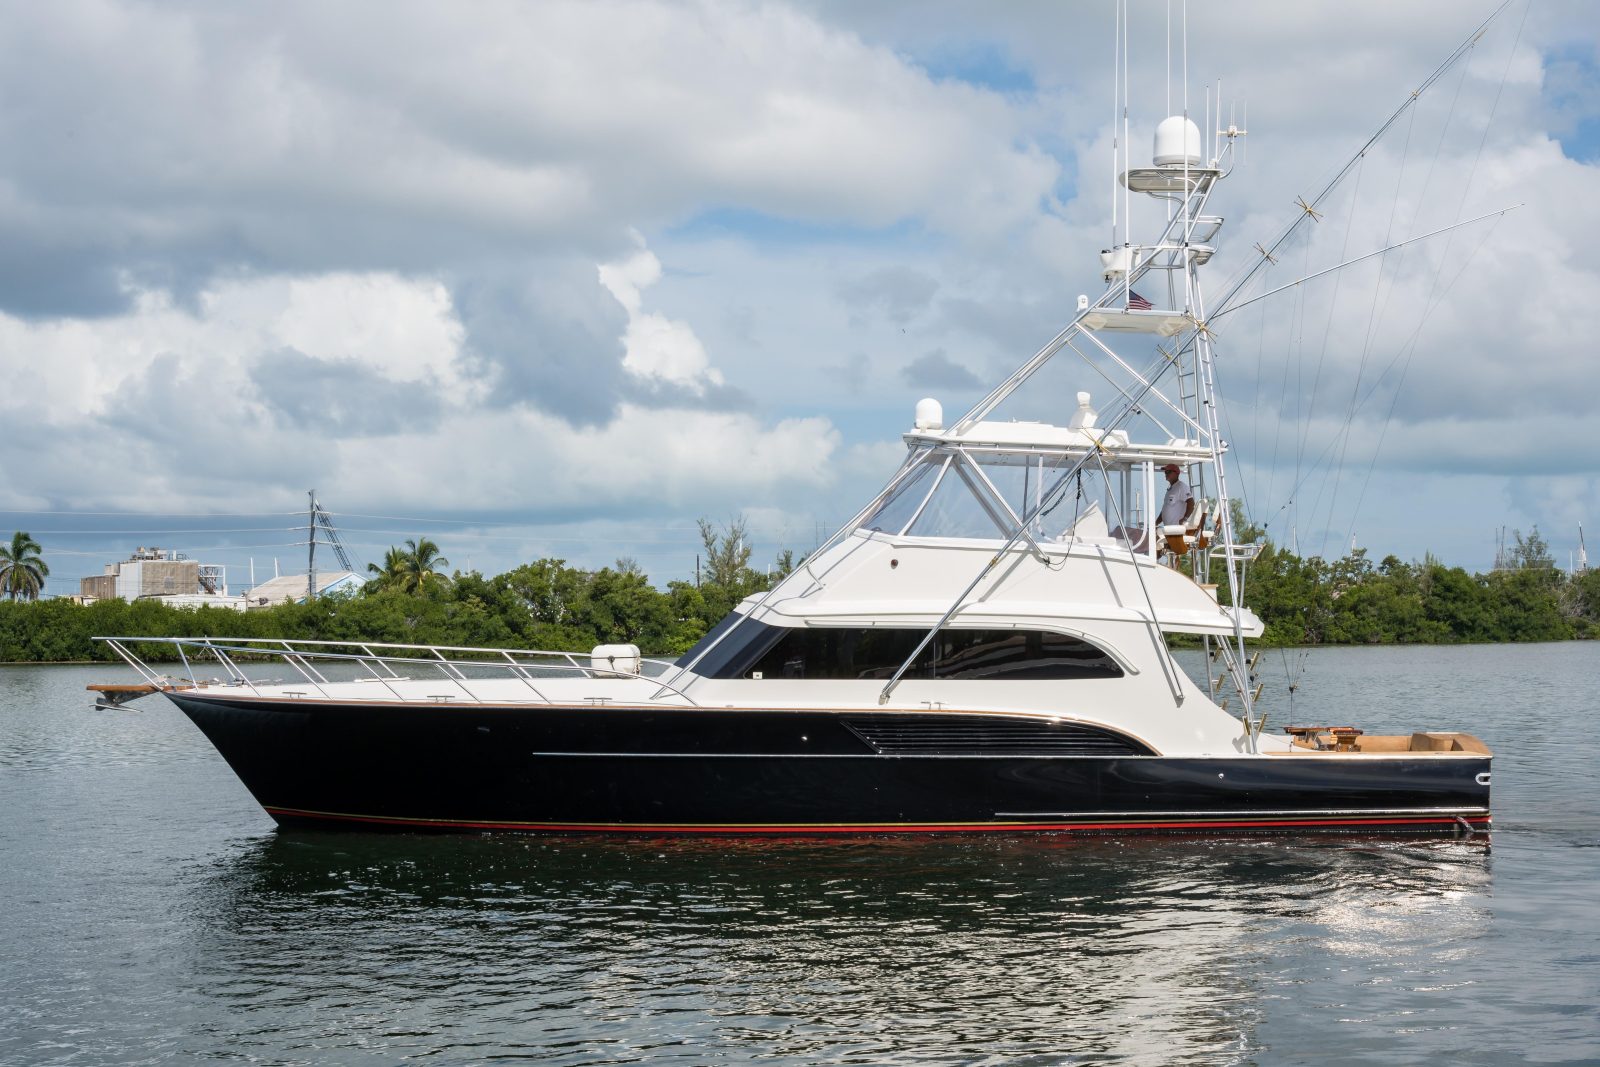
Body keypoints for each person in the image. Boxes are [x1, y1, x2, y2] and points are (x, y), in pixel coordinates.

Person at [1159, 463, 1195, 527]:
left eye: (1168, 472)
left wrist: (1185, 518)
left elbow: (1191, 503)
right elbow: (1165, 509)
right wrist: (1156, 523)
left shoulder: (1181, 487)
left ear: (1176, 473)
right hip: (1168, 529)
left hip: (1177, 529)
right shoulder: (1170, 489)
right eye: (1165, 472)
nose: (1166, 474)